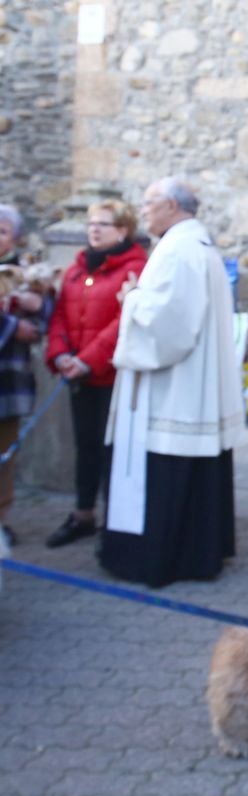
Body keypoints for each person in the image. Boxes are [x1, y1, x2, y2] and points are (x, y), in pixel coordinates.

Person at [99, 178, 245, 588]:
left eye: (149, 203)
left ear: (171, 206)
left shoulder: (178, 251)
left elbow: (170, 326)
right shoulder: (197, 246)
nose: (143, 210)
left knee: (165, 473)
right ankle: (199, 554)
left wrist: (131, 300)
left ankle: (158, 560)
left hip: (174, 392)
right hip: (192, 387)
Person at [43, 199, 148, 547]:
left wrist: (87, 359)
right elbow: (59, 314)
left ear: (122, 230)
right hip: (79, 376)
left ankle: (116, 521)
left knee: (112, 451)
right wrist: (60, 355)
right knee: (85, 447)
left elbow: (124, 323)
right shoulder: (75, 269)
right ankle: (83, 514)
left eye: (103, 224)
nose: (94, 229)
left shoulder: (135, 269)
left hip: (112, 378)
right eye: (91, 223)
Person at [0, 203, 54, 547]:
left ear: (16, 239)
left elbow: (43, 319)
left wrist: (36, 312)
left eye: (3, 231)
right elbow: (20, 327)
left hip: (9, 379)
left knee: (5, 454)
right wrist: (12, 326)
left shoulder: (27, 274)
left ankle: (1, 519)